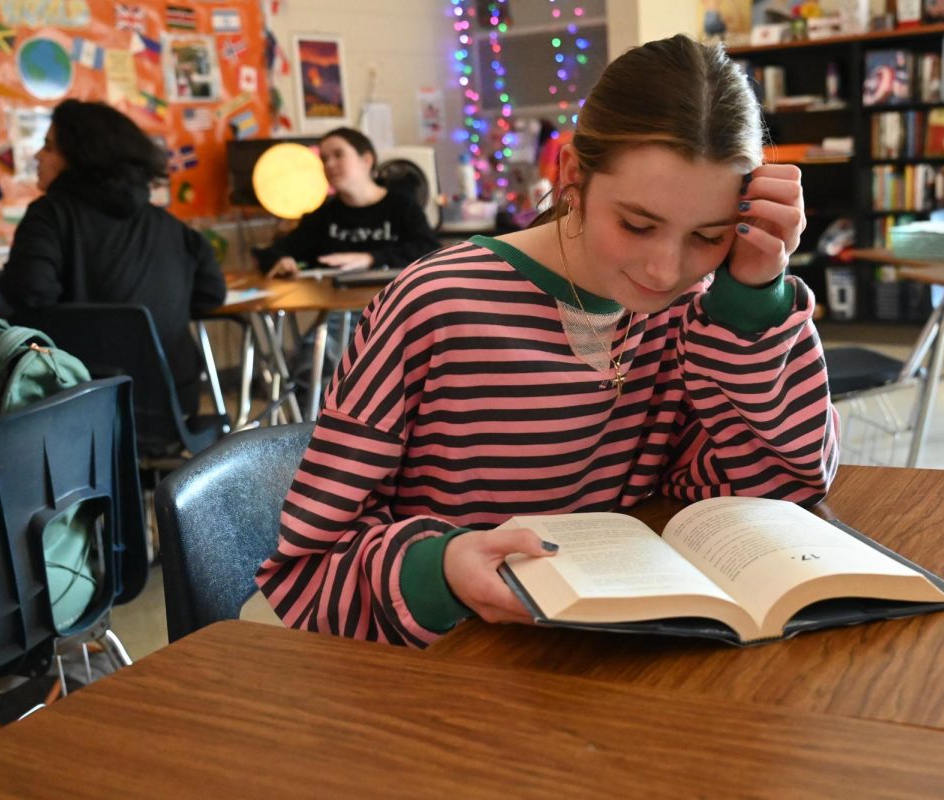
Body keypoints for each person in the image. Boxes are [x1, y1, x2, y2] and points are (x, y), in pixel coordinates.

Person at [255, 35, 839, 646]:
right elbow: (308, 571)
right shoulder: (437, 305)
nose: (666, 270)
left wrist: (753, 296)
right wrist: (442, 571)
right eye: (637, 224)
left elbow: (784, 483)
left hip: (611, 656)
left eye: (709, 235)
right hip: (446, 670)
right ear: (571, 176)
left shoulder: (695, 312)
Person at [0, 99, 226, 417]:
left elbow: (29, 294)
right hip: (173, 405)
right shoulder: (173, 227)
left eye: (48, 147)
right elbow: (212, 294)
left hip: (83, 404)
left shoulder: (49, 215)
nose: (38, 155)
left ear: (79, 157)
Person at [254, 127, 440, 277]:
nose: (329, 165)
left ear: (366, 160)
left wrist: (370, 259)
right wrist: (281, 260)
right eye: (324, 159)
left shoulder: (401, 205)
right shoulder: (323, 216)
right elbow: (272, 253)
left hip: (398, 304)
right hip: (342, 313)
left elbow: (429, 250)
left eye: (338, 155)